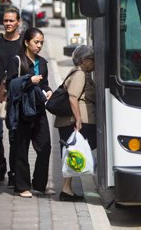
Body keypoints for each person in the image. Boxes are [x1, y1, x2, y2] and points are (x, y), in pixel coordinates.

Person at [6, 27, 53, 198]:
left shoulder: (42, 63)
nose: (39, 45)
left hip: (39, 111)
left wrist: (48, 90)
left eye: (41, 42)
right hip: (22, 111)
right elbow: (10, 85)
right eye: (36, 42)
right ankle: (22, 186)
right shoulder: (17, 61)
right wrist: (28, 80)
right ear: (26, 42)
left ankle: (39, 184)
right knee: (21, 149)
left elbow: (45, 84)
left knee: (45, 146)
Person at [54, 44, 96, 202]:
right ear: (84, 60)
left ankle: (67, 190)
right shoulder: (79, 74)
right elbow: (73, 97)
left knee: (73, 153)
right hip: (74, 122)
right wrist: (78, 119)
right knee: (74, 153)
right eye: (93, 60)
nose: (94, 63)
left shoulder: (82, 73)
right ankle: (66, 190)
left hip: (75, 122)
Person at [0, 7, 22, 184]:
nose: (8, 24)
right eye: (6, 20)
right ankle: (0, 164)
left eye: (11, 21)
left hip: (16, 95)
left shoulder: (23, 42)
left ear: (18, 22)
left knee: (15, 134)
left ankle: (14, 172)